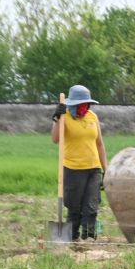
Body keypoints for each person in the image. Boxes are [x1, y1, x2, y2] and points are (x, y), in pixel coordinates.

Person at [50, 84, 108, 240]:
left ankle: (89, 238)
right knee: (74, 208)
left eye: (86, 104)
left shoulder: (92, 117)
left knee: (91, 207)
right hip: (73, 169)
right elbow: (55, 139)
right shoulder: (64, 117)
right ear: (73, 105)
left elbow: (99, 144)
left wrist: (106, 169)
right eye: (81, 105)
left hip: (93, 169)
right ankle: (72, 239)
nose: (84, 108)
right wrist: (57, 119)